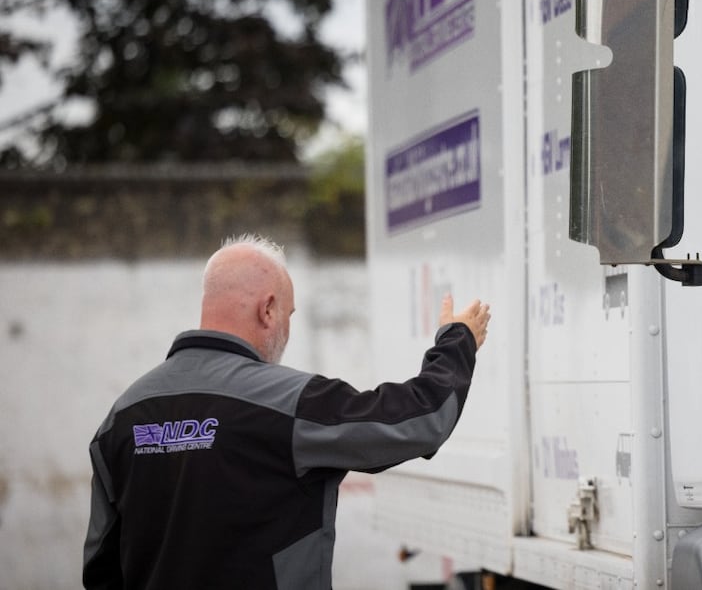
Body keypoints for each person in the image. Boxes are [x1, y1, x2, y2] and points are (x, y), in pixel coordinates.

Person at [82, 234, 491, 589]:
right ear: (269, 309)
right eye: (290, 315)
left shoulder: (120, 418)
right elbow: (420, 420)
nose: (288, 329)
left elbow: (100, 567)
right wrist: (459, 340)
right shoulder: (289, 403)